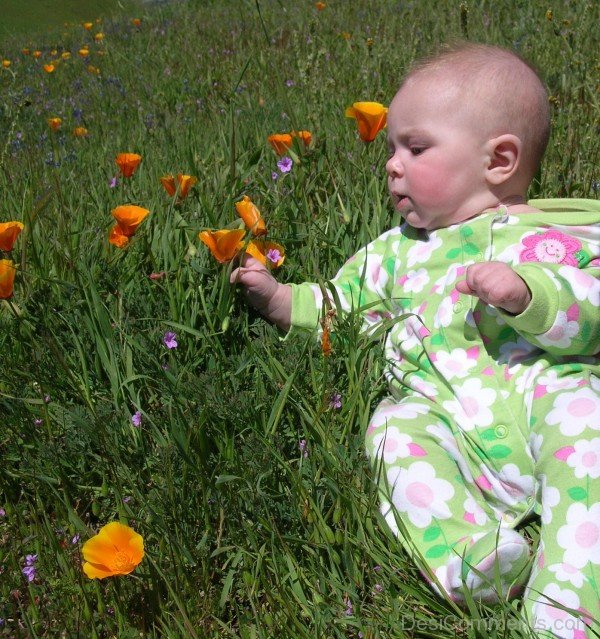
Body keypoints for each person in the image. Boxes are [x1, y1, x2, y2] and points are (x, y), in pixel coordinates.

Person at [230, 42, 600, 637]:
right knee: (391, 431)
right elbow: (339, 305)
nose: (393, 164)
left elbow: (593, 312)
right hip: (444, 418)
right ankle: (471, 559)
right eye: (392, 148)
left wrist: (532, 295)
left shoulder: (552, 237)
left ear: (499, 160)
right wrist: (279, 299)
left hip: (547, 398)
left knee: (590, 430)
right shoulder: (398, 250)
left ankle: (569, 604)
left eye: (416, 147)